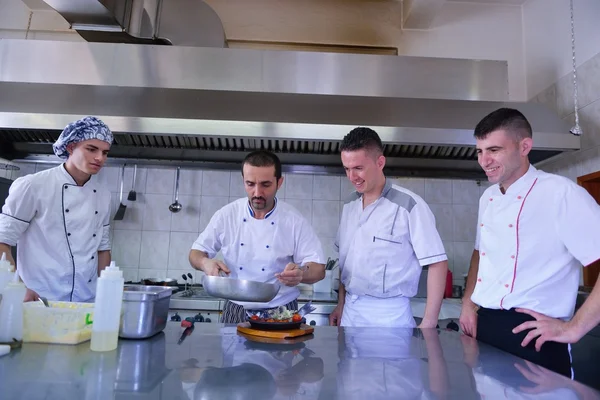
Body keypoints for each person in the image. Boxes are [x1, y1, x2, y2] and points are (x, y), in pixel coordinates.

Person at [459, 108, 600, 378]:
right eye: (479, 151)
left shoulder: (561, 193)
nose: (484, 160)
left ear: (525, 146)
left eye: (494, 150)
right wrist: (467, 303)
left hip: (533, 335)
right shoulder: (487, 197)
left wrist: (575, 328)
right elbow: (480, 253)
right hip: (484, 327)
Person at [329, 127, 448, 328]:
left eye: (358, 168)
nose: (352, 176)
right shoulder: (349, 205)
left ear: (380, 162)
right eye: (346, 169)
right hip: (350, 311)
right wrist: (341, 304)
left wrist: (429, 321)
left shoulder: (409, 206)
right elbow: (345, 262)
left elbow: (438, 263)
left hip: (389, 315)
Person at [189, 150, 326, 323]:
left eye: (265, 184)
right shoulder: (227, 215)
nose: (257, 192)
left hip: (280, 310)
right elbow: (195, 253)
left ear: (279, 182)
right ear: (243, 181)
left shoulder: (293, 220)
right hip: (236, 308)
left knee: (282, 352)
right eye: (250, 184)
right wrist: (205, 262)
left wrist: (301, 273)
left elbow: (318, 269)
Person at [0, 116, 113, 302]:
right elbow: (2, 240)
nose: (100, 158)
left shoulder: (103, 195)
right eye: (91, 149)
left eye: (105, 152)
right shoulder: (33, 185)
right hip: (39, 300)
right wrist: (17, 287)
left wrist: (105, 293)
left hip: (87, 303)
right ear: (70, 147)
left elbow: (103, 248)